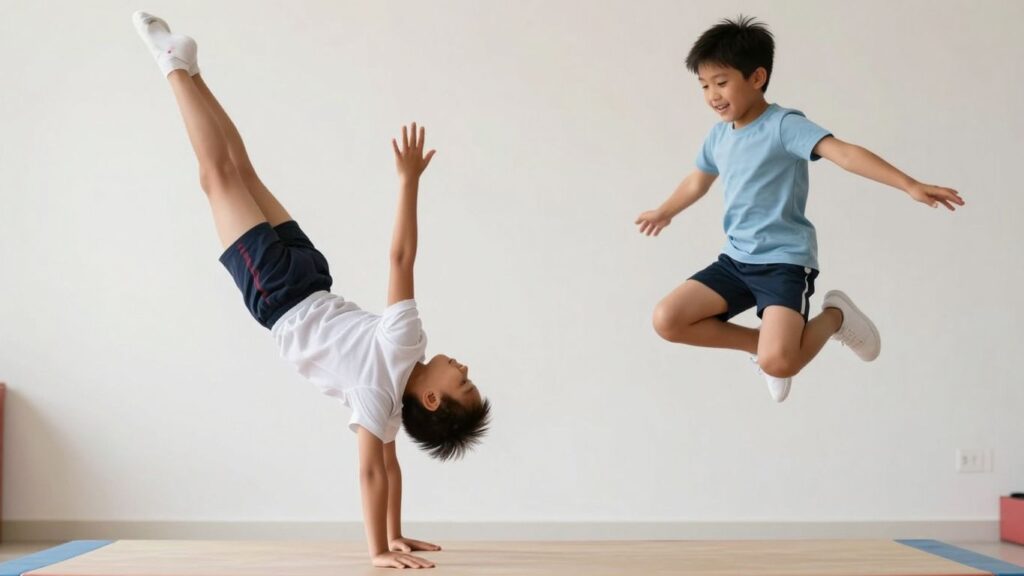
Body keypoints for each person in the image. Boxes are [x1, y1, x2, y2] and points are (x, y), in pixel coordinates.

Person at [133, 12, 490, 569]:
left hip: (307, 275)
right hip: (280, 296)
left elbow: (379, 469)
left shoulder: (392, 372)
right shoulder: (386, 387)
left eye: (462, 381)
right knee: (219, 177)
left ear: (431, 399)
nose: (463, 367)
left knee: (239, 173)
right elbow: (383, 469)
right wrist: (387, 539)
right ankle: (175, 68)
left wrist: (386, 543)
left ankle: (191, 70)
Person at [636, 16, 963, 402]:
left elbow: (844, 153)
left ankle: (836, 317)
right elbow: (697, 180)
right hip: (736, 260)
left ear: (757, 77)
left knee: (781, 363)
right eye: (704, 85)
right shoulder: (719, 135)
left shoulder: (783, 125)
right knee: (668, 320)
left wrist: (909, 184)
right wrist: (665, 211)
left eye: (721, 82)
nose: (712, 95)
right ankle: (762, 346)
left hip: (783, 262)